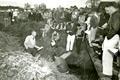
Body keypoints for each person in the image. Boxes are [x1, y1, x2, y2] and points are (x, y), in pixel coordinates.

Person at [101, 3, 120, 79]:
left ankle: (107, 74)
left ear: (111, 7)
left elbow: (115, 28)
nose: (106, 12)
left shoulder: (116, 14)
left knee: (107, 55)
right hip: (115, 36)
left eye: (107, 10)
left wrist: (107, 36)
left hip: (114, 36)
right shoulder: (115, 14)